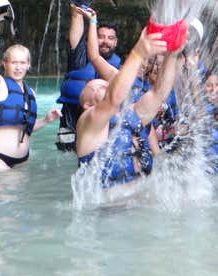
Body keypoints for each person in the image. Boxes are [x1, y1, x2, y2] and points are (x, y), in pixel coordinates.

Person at [75, 26, 178, 190]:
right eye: (99, 87)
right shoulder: (88, 122)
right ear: (87, 104)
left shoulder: (131, 114)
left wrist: (173, 52)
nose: (105, 85)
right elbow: (112, 98)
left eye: (106, 85)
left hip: (138, 203)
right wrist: (138, 52)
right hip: (105, 210)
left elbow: (159, 93)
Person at [0, 20, 61, 170]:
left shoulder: (30, 93)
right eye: (14, 62)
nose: (18, 67)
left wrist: (47, 120)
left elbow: (24, 127)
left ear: (28, 65)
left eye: (22, 63)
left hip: (22, 161)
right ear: (5, 64)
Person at [56, 1, 121, 152]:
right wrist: (78, 4)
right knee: (67, 158)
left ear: (116, 42)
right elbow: (76, 19)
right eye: (101, 37)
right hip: (72, 115)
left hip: (100, 118)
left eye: (110, 38)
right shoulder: (79, 54)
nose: (105, 41)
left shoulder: (118, 66)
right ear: (92, 37)